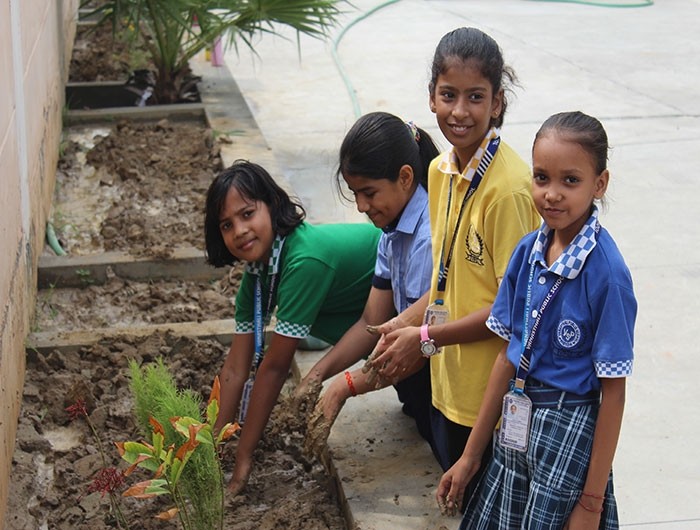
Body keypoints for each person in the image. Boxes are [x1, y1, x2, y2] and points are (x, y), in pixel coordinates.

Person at [365, 27, 541, 506]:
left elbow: (512, 314)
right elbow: (452, 282)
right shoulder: (439, 171)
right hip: (447, 384)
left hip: (490, 399)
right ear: (431, 97)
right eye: (449, 95)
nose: (460, 111)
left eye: (475, 97)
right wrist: (407, 321)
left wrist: (425, 336)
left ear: (497, 103)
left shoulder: (509, 190)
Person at [437, 111, 637, 529]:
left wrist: (591, 503)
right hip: (516, 425)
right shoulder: (527, 252)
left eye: (571, 180)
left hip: (567, 433)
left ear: (599, 184)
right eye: (542, 178)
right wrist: (471, 456)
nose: (552, 194)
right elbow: (507, 357)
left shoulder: (607, 275)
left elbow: (613, 394)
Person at [204, 160, 381, 495]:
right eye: (226, 225)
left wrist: (243, 458)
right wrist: (211, 446)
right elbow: (235, 369)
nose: (239, 230)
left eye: (247, 214)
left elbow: (274, 369)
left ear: (272, 205)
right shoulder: (257, 273)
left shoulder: (303, 260)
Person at [295, 111, 440, 458]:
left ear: (405, 177)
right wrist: (316, 376)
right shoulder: (391, 232)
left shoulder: (427, 238)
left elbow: (420, 348)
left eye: (369, 193)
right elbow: (371, 322)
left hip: (434, 371)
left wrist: (343, 387)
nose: (361, 206)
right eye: (355, 193)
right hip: (415, 368)